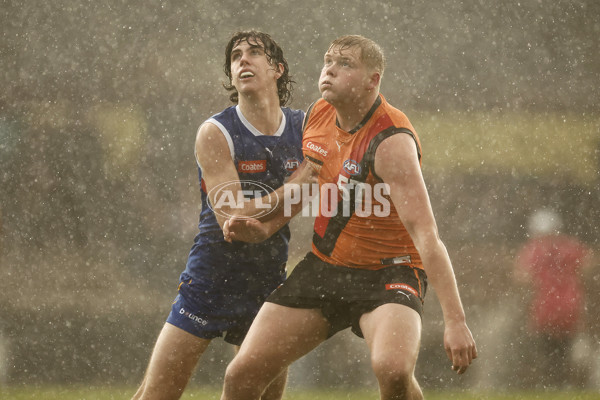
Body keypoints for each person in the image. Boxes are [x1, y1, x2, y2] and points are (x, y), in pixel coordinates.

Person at [221, 35, 477, 400]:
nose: (329, 70)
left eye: (345, 64)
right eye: (328, 61)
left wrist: (456, 321)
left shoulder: (391, 141)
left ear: (373, 80)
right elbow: (308, 186)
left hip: (391, 271)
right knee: (241, 375)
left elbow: (426, 235)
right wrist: (265, 228)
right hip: (326, 267)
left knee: (393, 371)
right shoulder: (317, 114)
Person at [132, 30, 315, 400]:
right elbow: (230, 217)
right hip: (210, 281)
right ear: (231, 75)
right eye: (235, 56)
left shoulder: (305, 127)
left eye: (253, 53)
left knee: (262, 396)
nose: (242, 60)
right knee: (158, 395)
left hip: (267, 283)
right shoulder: (216, 132)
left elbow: (314, 189)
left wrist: (268, 228)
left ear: (278, 69)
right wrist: (292, 187)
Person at [514, 208, 593, 388]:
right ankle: (567, 386)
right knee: (567, 352)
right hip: (570, 307)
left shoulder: (533, 250)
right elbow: (588, 265)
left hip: (544, 309)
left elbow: (521, 277)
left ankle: (551, 386)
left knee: (546, 354)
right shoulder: (570, 246)